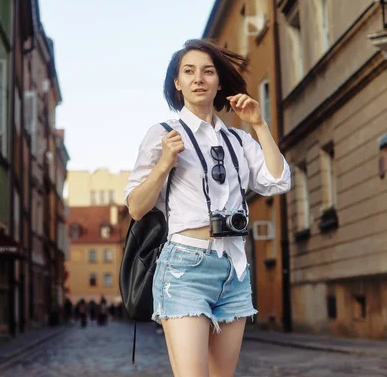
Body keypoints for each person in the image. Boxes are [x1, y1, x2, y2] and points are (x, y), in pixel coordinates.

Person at [124, 39, 291, 376]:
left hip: (234, 266)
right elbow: (136, 208)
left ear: (218, 82)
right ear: (177, 82)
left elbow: (278, 180)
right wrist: (164, 164)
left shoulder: (239, 140)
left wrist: (259, 125)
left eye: (207, 71)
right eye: (189, 71)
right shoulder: (163, 134)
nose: (198, 78)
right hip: (184, 266)